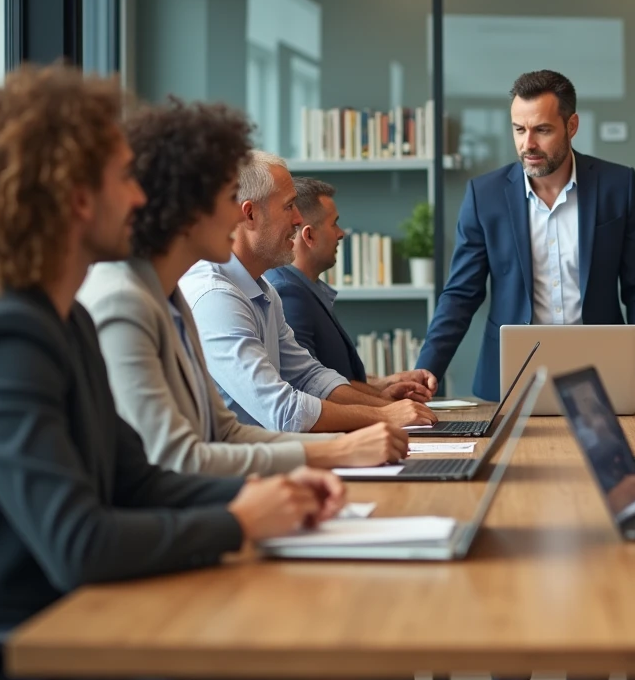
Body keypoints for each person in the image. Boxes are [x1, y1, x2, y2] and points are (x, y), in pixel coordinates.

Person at [0, 64, 344, 680]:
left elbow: (139, 478)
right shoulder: (2, 337)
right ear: (75, 196)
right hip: (19, 648)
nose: (140, 198)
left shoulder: (67, 318)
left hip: (80, 618)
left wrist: (285, 495)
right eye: (124, 179)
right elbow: (77, 539)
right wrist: (241, 519)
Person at [78, 99, 408, 476]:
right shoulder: (149, 299)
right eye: (228, 198)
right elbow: (177, 460)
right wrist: (340, 449)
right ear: (187, 206)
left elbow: (226, 432)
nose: (238, 214)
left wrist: (345, 445)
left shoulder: (174, 297)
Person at [415, 70, 635, 404]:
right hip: (510, 379)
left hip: (601, 373)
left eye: (542, 130)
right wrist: (427, 368)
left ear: (571, 126)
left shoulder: (618, 187)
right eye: (519, 130)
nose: (527, 144)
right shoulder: (484, 195)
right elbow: (461, 293)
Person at [179, 151, 437, 434]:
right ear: (250, 213)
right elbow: (284, 411)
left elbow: (310, 377)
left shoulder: (263, 290)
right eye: (289, 206)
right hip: (242, 471)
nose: (299, 219)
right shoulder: (216, 297)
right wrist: (385, 417)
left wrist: (383, 406)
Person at [266, 176, 438, 401]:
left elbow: (333, 378)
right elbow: (310, 388)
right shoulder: (289, 294)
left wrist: (385, 385)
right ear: (309, 235)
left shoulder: (306, 289)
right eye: (334, 223)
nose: (341, 233)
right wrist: (386, 407)